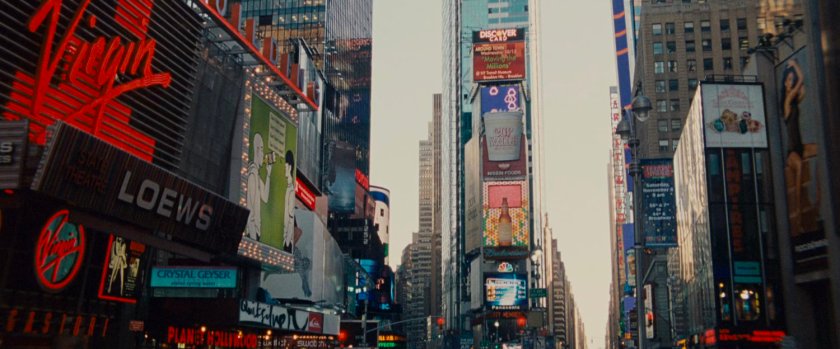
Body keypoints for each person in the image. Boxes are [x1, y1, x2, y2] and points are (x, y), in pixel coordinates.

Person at [781, 59, 816, 236]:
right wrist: (795, 65)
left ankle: (815, 200)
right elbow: (801, 81)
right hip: (792, 152)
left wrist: (795, 74)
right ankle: (799, 218)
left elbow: (803, 89)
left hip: (800, 146)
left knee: (819, 148)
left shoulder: (793, 102)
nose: (791, 82)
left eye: (791, 80)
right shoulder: (786, 103)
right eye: (788, 80)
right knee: (800, 168)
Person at [247, 133, 273, 241]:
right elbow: (250, 213)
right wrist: (253, 241)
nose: (263, 154)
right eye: (262, 150)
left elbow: (265, 197)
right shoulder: (252, 175)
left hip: (256, 233)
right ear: (257, 150)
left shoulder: (257, 175)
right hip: (252, 234)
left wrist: (268, 174)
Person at [283, 150, 296, 252]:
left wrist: (287, 242)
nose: (284, 169)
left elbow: (290, 221)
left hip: (287, 243)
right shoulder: (288, 188)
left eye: (286, 166)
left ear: (290, 167)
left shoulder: (291, 190)